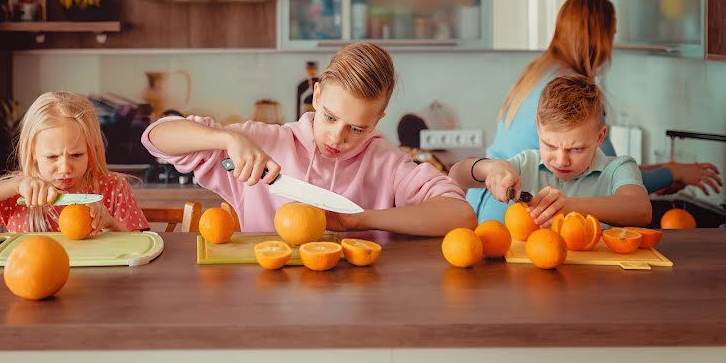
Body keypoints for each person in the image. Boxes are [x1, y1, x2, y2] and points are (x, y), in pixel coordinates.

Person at [142, 42, 476, 236]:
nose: (337, 136)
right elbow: (155, 137)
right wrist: (227, 139)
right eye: (330, 117)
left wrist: (360, 220)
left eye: (357, 128)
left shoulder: (387, 164)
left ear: (377, 120)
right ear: (316, 96)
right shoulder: (264, 142)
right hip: (262, 299)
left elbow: (460, 215)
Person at [466, 0, 722, 224]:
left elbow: (612, 172)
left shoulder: (538, 72)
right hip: (520, 213)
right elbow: (605, 177)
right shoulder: (574, 93)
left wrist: (669, 168)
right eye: (611, 35)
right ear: (599, 38)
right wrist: (672, 172)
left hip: (484, 204)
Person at [451, 76, 652, 228]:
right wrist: (492, 167)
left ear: (600, 137)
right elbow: (457, 175)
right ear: (538, 130)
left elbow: (640, 210)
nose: (561, 160)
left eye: (576, 148)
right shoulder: (525, 163)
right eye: (550, 145)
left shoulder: (619, 169)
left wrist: (571, 207)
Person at [0, 92, 148, 233]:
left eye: (76, 155)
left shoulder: (113, 188)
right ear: (32, 153)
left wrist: (110, 225)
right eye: (52, 157)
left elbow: (141, 247)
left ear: (92, 150)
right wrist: (15, 185)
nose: (65, 168)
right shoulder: (18, 191)